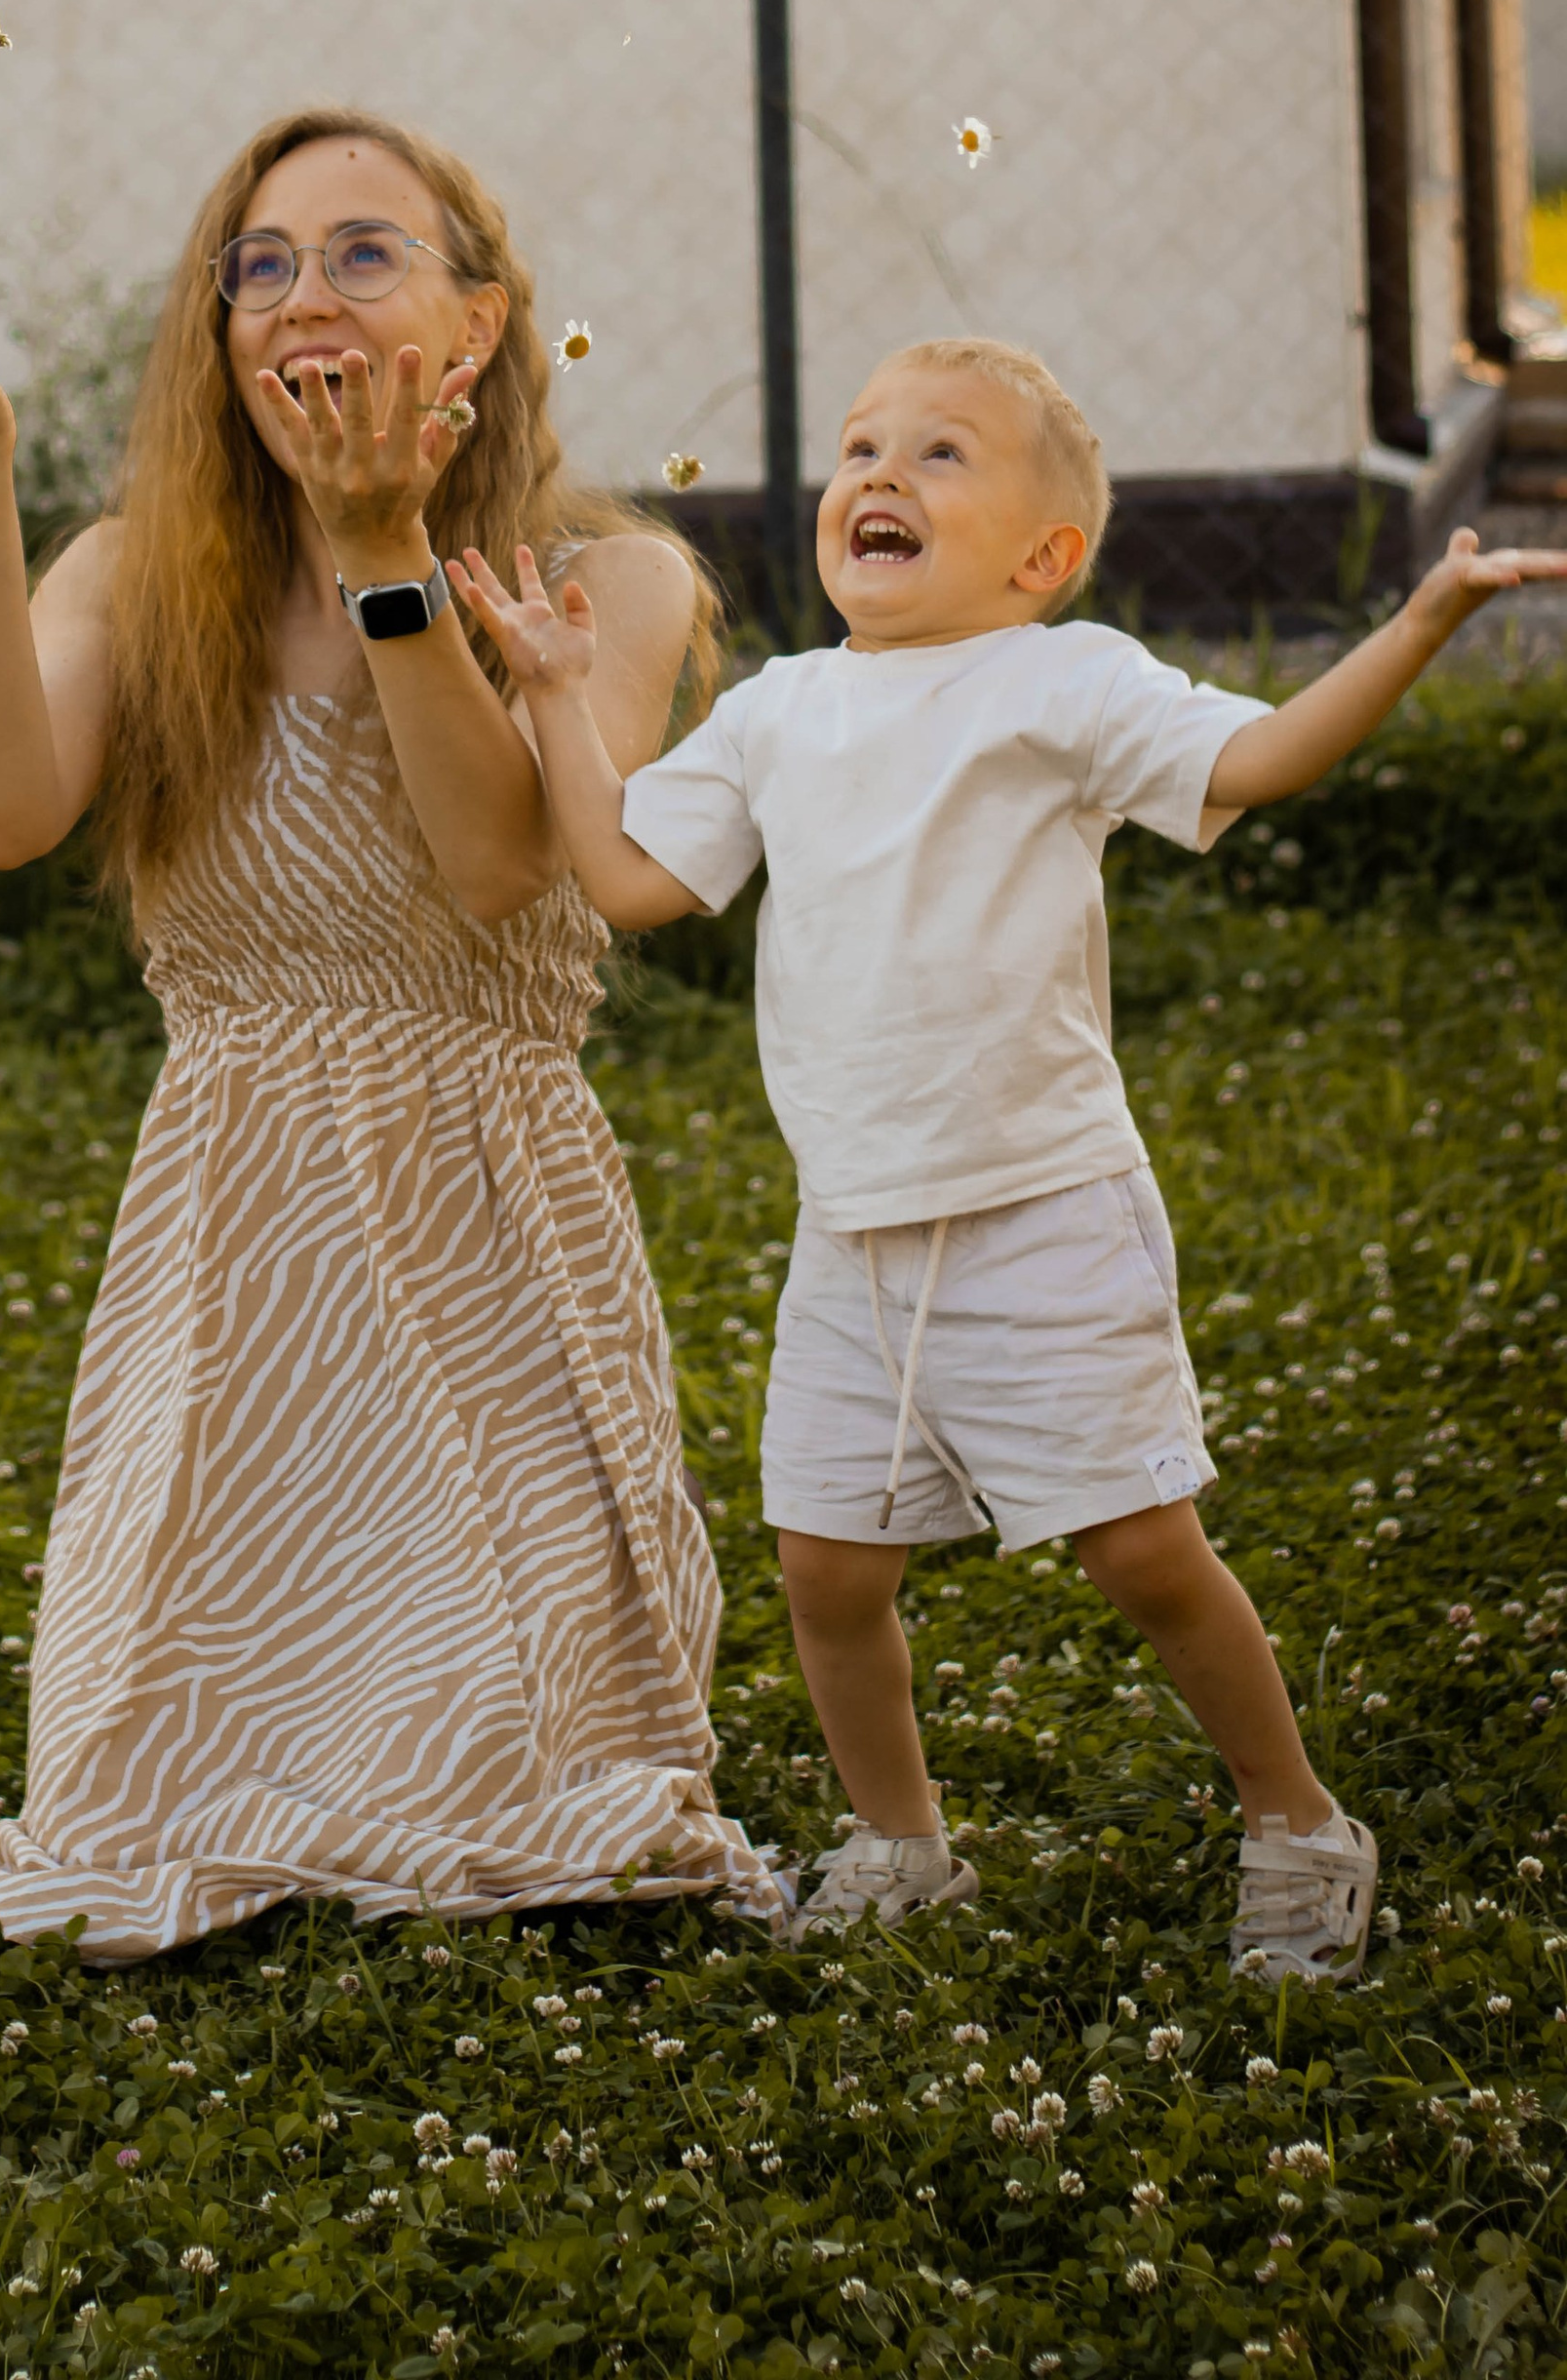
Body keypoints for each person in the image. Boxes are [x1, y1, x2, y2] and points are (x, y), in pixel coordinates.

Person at [451, 334, 1567, 1984]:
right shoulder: (777, 712)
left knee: (1144, 1552)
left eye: (940, 453)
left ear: (1043, 558)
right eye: (862, 446)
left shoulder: (1063, 682)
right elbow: (624, 881)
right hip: (853, 1236)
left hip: (1045, 1210)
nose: (880, 473)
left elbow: (1256, 760)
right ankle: (902, 1844)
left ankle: (1298, 1823)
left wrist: (1416, 625)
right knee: (828, 1573)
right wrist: (553, 693)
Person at [0, 104, 783, 1960]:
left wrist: (383, 550)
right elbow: (2, 810)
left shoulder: (606, 583)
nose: (300, 296)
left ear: (477, 323)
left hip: (481, 1213)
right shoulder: (135, 573)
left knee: (505, 1751)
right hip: (235, 1220)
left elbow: (499, 869)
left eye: (361, 255)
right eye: (259, 266)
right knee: (146, 1776)